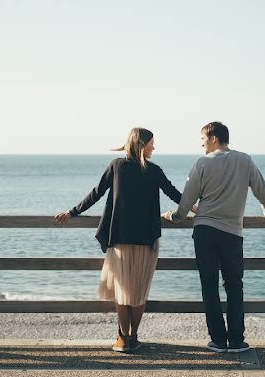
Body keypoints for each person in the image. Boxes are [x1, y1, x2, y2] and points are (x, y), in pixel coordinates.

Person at [55, 127, 181, 352]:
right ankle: (133, 336)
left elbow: (96, 193)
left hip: (120, 238)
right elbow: (176, 195)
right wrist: (199, 208)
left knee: (123, 292)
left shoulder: (116, 166)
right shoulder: (153, 171)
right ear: (142, 145)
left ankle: (123, 338)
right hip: (147, 240)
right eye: (152, 143)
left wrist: (73, 212)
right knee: (139, 292)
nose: (154, 147)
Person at [163, 121, 265, 353]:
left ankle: (217, 340)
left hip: (204, 231)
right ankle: (236, 340)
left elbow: (187, 199)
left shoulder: (202, 163)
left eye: (203, 138)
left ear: (213, 137)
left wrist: (175, 216)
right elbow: (261, 189)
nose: (201, 143)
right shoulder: (244, 160)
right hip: (232, 233)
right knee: (234, 285)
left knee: (209, 285)